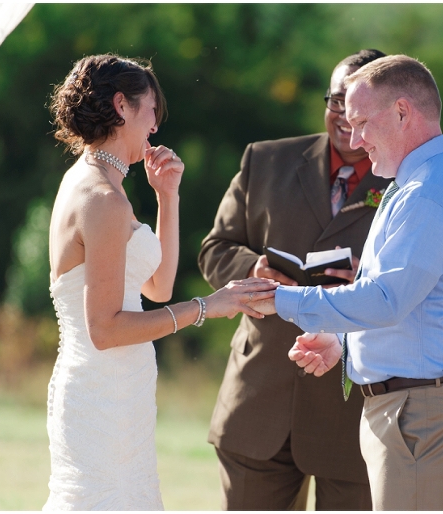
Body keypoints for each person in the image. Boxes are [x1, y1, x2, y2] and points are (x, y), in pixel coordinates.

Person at [44, 54, 277, 510]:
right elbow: (105, 329)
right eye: (151, 111)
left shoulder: (97, 185)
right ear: (122, 106)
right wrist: (211, 305)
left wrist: (166, 197)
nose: (155, 127)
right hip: (102, 396)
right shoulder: (102, 199)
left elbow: (157, 287)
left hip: (120, 392)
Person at [272, 54, 443, 510]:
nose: (354, 139)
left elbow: (387, 299)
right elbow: (412, 310)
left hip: (424, 415)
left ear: (401, 112)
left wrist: (279, 299)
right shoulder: (417, 182)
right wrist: (346, 345)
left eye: (361, 123)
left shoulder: (429, 194)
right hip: (416, 410)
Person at [198, 49, 391, 510]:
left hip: (353, 412)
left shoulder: (409, 183)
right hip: (258, 400)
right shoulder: (265, 160)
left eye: (357, 105)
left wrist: (368, 284)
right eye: (335, 100)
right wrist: (252, 271)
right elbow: (215, 249)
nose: (344, 116)